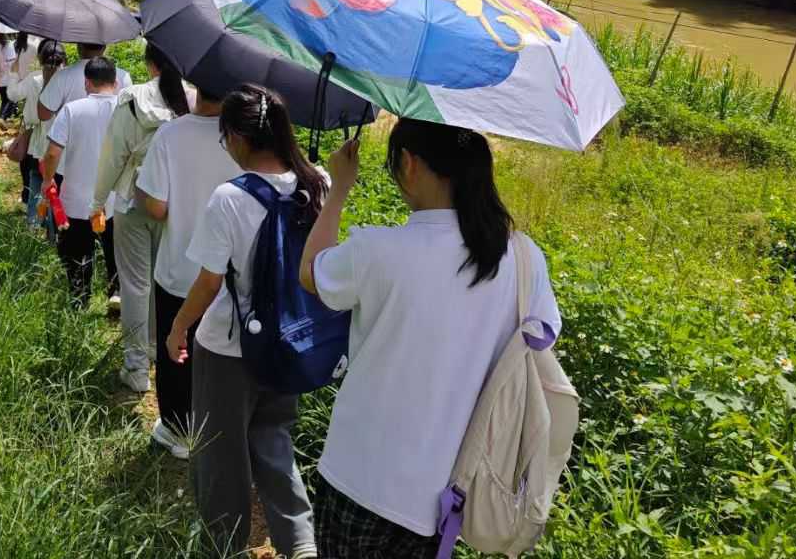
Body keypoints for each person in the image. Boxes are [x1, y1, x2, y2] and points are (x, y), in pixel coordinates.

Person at [300, 119, 562, 559]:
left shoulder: (379, 250)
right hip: (447, 493)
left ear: (409, 163)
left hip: (360, 475)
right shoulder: (523, 258)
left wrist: (338, 188)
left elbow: (311, 273)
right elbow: (541, 338)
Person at [165, 85, 321, 559]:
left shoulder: (229, 198)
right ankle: (300, 541)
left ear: (235, 136)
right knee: (274, 439)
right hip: (290, 339)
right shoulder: (318, 184)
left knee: (221, 452)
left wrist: (178, 328)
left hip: (228, 347)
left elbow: (209, 283)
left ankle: (224, 546)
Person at [134, 83, 237, 459]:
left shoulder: (171, 134)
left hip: (179, 266)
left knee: (175, 349)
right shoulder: (245, 135)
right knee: (220, 354)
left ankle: (177, 431)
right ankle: (217, 429)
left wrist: (142, 192)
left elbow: (157, 208)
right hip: (228, 273)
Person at [94, 43, 192, 395]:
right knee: (160, 279)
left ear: (150, 64)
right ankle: (154, 347)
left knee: (135, 284)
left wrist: (97, 200)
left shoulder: (132, 98)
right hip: (172, 203)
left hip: (132, 200)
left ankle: (135, 368)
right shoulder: (193, 100)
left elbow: (113, 156)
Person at [38, 57, 122, 308]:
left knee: (77, 251)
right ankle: (116, 292)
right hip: (115, 197)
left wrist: (48, 180)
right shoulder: (126, 110)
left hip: (76, 196)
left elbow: (52, 153)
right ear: (116, 83)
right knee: (114, 249)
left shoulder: (72, 110)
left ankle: (80, 299)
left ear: (87, 83)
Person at [7, 39, 66, 235]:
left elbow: (15, 97)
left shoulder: (34, 79)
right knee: (57, 190)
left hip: (39, 145)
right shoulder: (71, 79)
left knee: (36, 182)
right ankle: (53, 231)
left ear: (40, 59)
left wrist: (14, 73)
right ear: (64, 59)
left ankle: (32, 226)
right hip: (62, 148)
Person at [37, 43, 133, 123]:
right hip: (113, 139)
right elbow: (130, 116)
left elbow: (43, 115)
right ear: (104, 47)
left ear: (79, 46)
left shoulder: (62, 76)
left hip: (72, 138)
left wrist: (47, 79)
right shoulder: (123, 76)